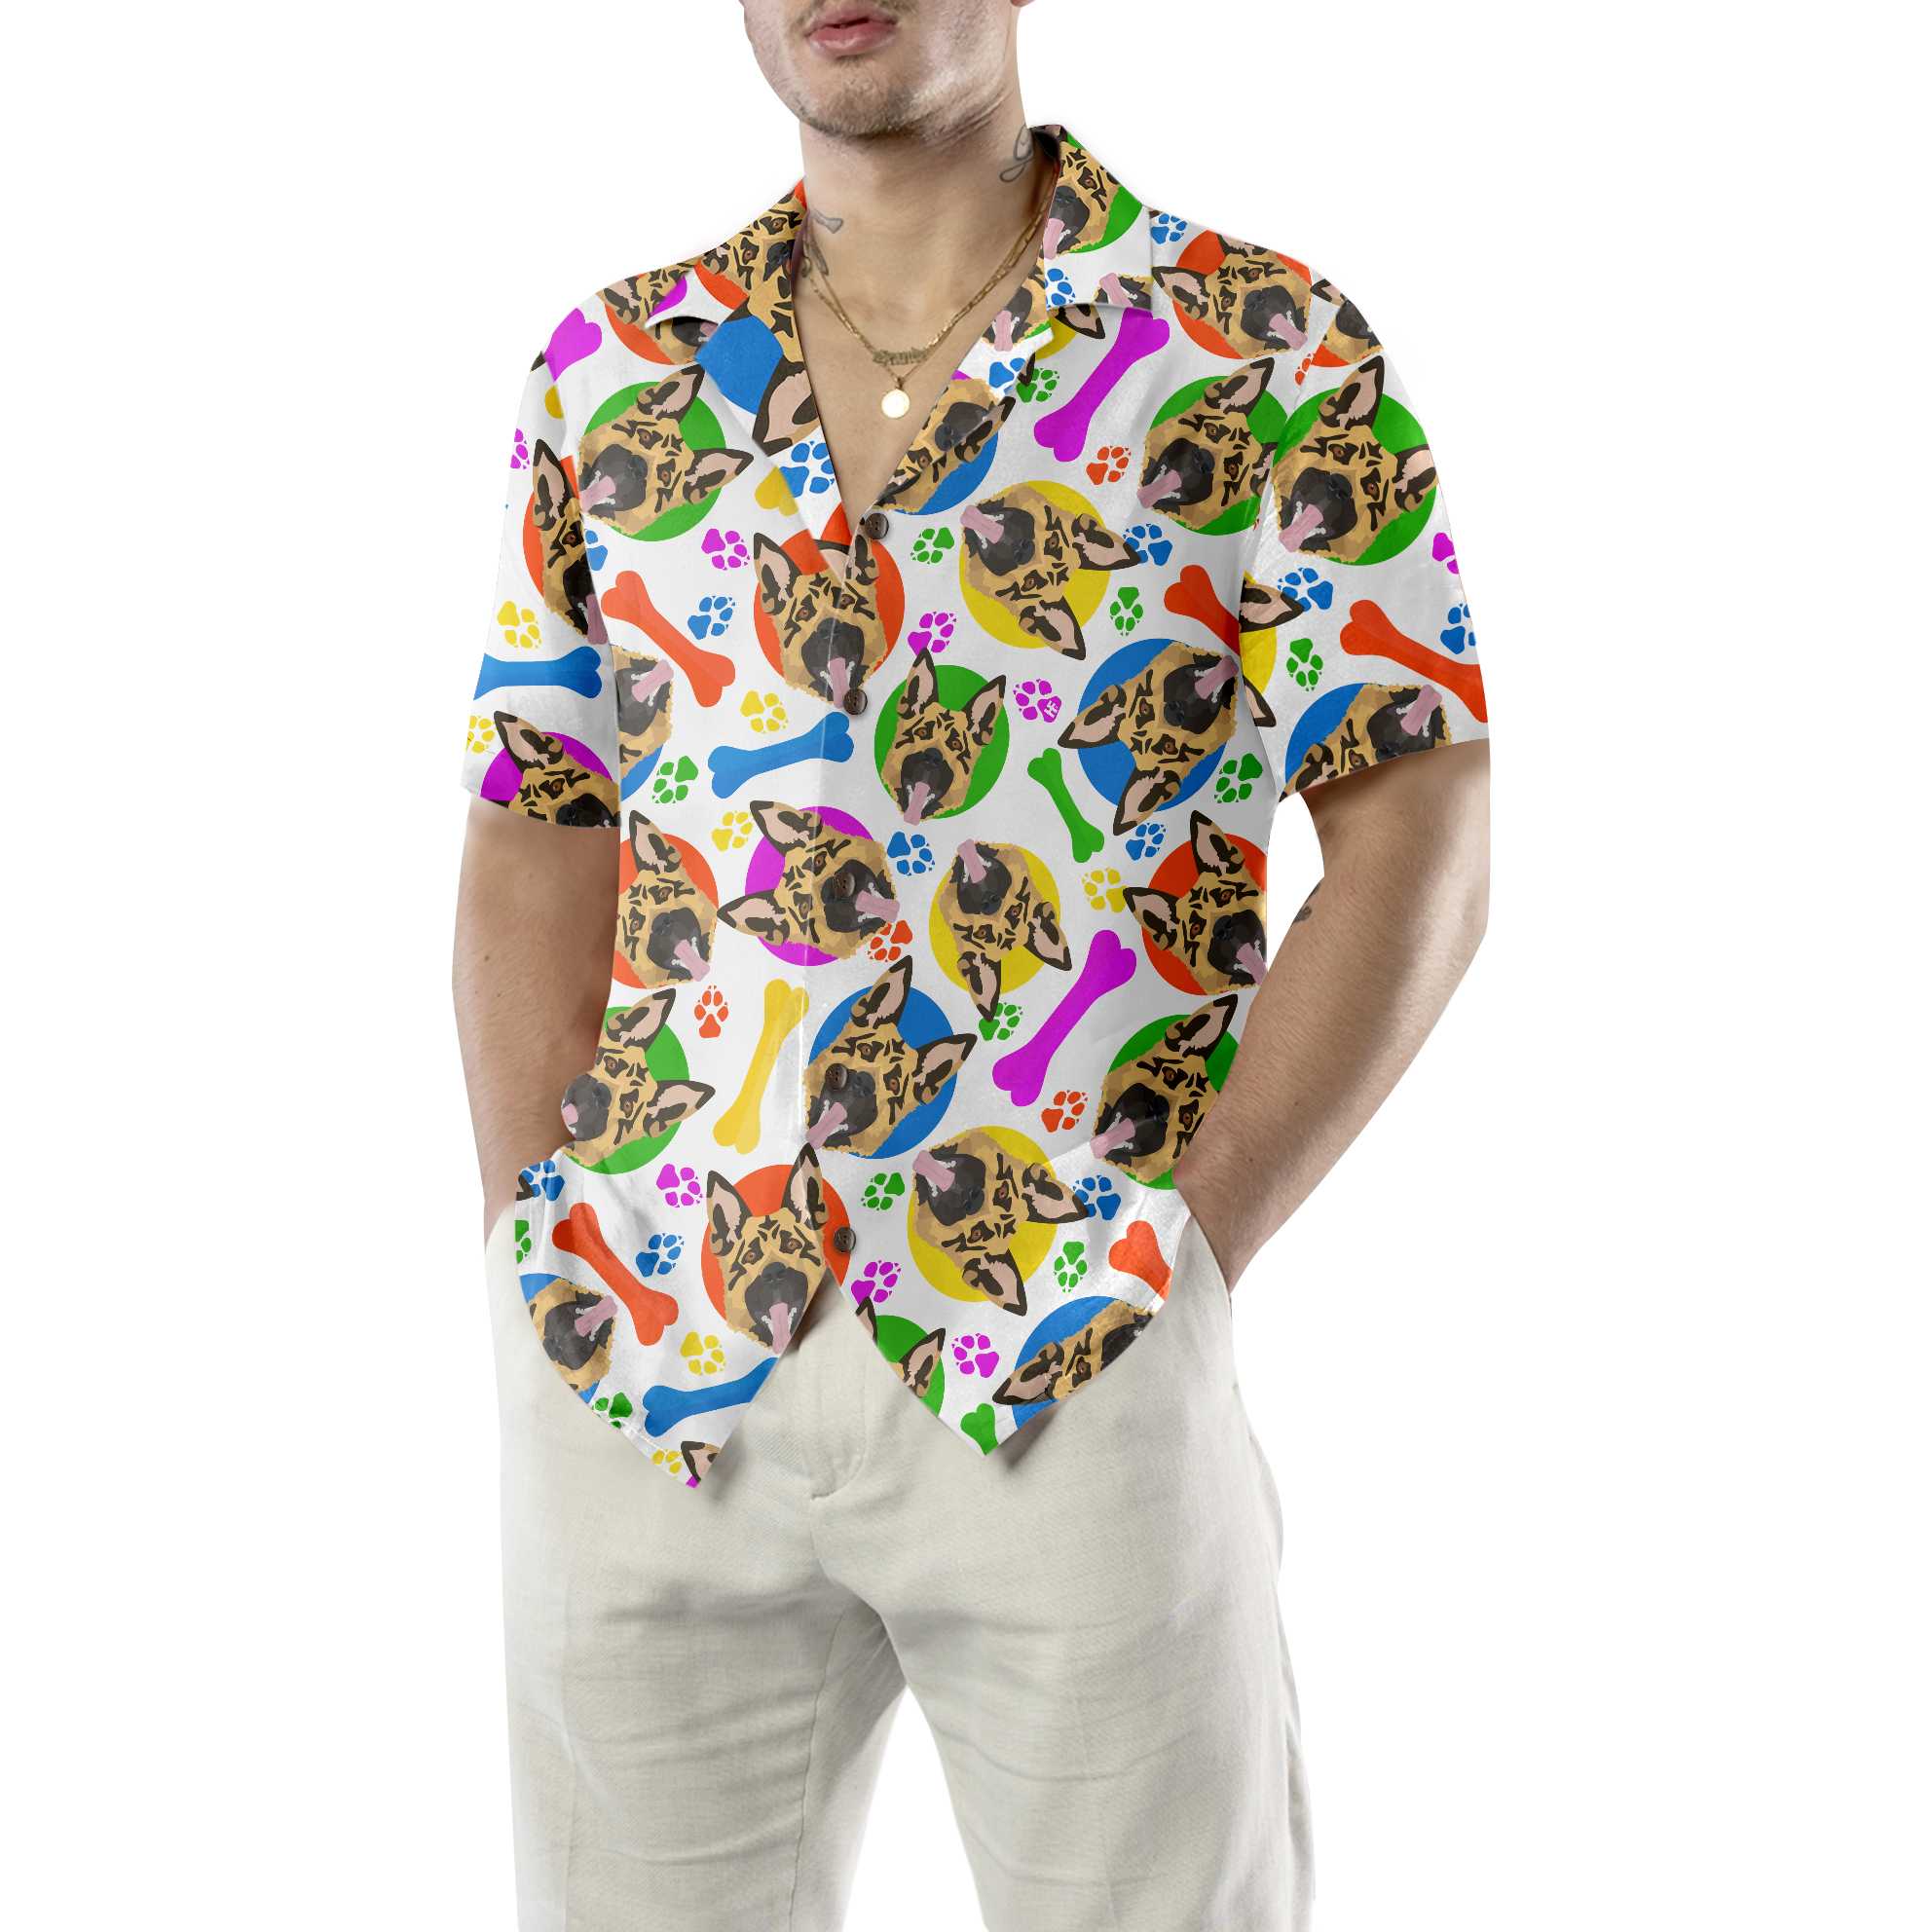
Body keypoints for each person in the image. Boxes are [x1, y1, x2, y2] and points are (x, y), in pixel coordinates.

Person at [451, 4, 1490, 1925]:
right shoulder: (614, 370)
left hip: (1068, 1338)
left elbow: (1417, 817)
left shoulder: (1263, 348)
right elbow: (539, 825)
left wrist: (1190, 1244)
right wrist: (539, 1232)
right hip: (650, 1353)